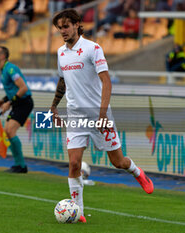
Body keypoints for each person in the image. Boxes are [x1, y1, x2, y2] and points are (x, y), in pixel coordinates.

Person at [51, 9, 154, 223]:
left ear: (77, 24)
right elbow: (63, 81)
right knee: (74, 164)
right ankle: (78, 211)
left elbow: (106, 81)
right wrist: (54, 106)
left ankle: (137, 173)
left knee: (118, 162)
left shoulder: (92, 49)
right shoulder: (61, 53)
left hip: (99, 114)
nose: (63, 31)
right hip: (76, 116)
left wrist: (102, 113)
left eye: (66, 26)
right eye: (60, 27)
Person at [0, 46, 33, 173]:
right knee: (8, 131)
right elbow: (14, 90)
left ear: (3, 56)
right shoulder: (4, 70)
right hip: (17, 103)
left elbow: (23, 88)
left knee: (9, 130)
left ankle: (21, 165)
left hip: (24, 103)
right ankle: (19, 164)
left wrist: (9, 102)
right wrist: (4, 100)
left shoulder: (10, 69)